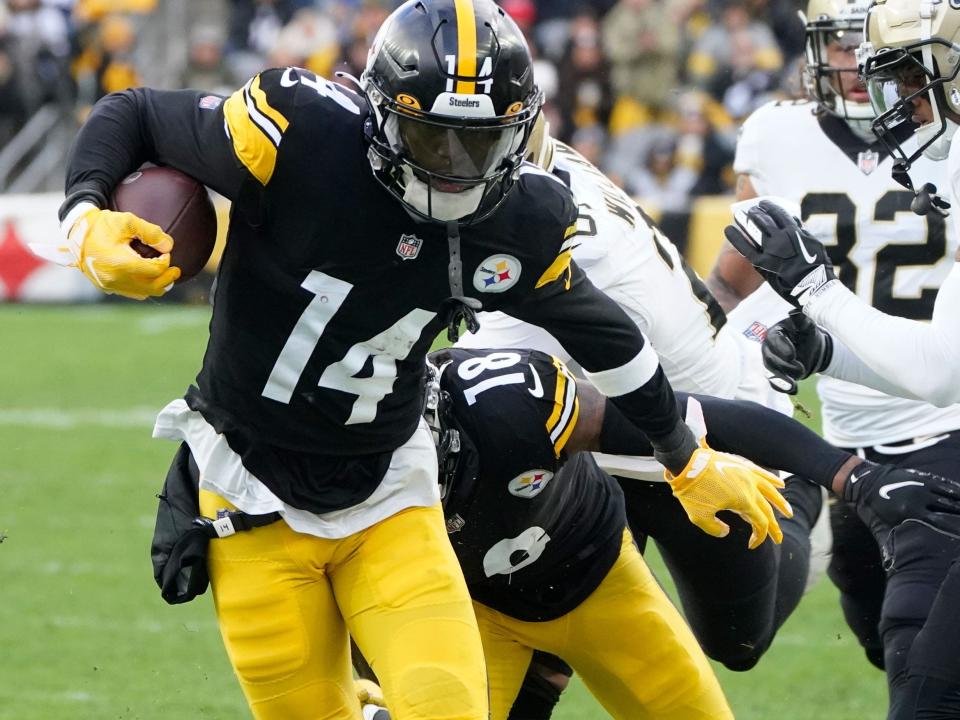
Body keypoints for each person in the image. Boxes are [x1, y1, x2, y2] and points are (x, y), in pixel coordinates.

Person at [50, 2, 789, 718]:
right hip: (251, 493)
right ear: (380, 115)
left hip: (391, 494)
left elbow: (606, 334)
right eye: (436, 140)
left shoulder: (518, 217)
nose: (459, 169)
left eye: (483, 144)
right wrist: (84, 216)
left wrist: (684, 457)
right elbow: (136, 111)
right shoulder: (299, 131)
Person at [352, 346, 960, 720]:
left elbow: (690, 418)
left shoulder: (504, 401)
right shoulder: (326, 483)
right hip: (472, 611)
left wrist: (851, 478)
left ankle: (793, 498)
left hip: (596, 581)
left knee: (734, 648)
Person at [454, 115, 817, 720]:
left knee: (737, 641)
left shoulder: (563, 255)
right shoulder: (535, 174)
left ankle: (794, 485)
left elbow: (467, 397)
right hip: (595, 428)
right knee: (532, 600)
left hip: (702, 432)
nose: (448, 165)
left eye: (467, 148)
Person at [722, 3, 960, 715]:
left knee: (924, 682)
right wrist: (828, 354)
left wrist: (817, 293)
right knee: (894, 646)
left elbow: (938, 372)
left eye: (909, 79)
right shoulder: (780, 134)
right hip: (860, 447)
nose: (886, 94)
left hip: (946, 438)